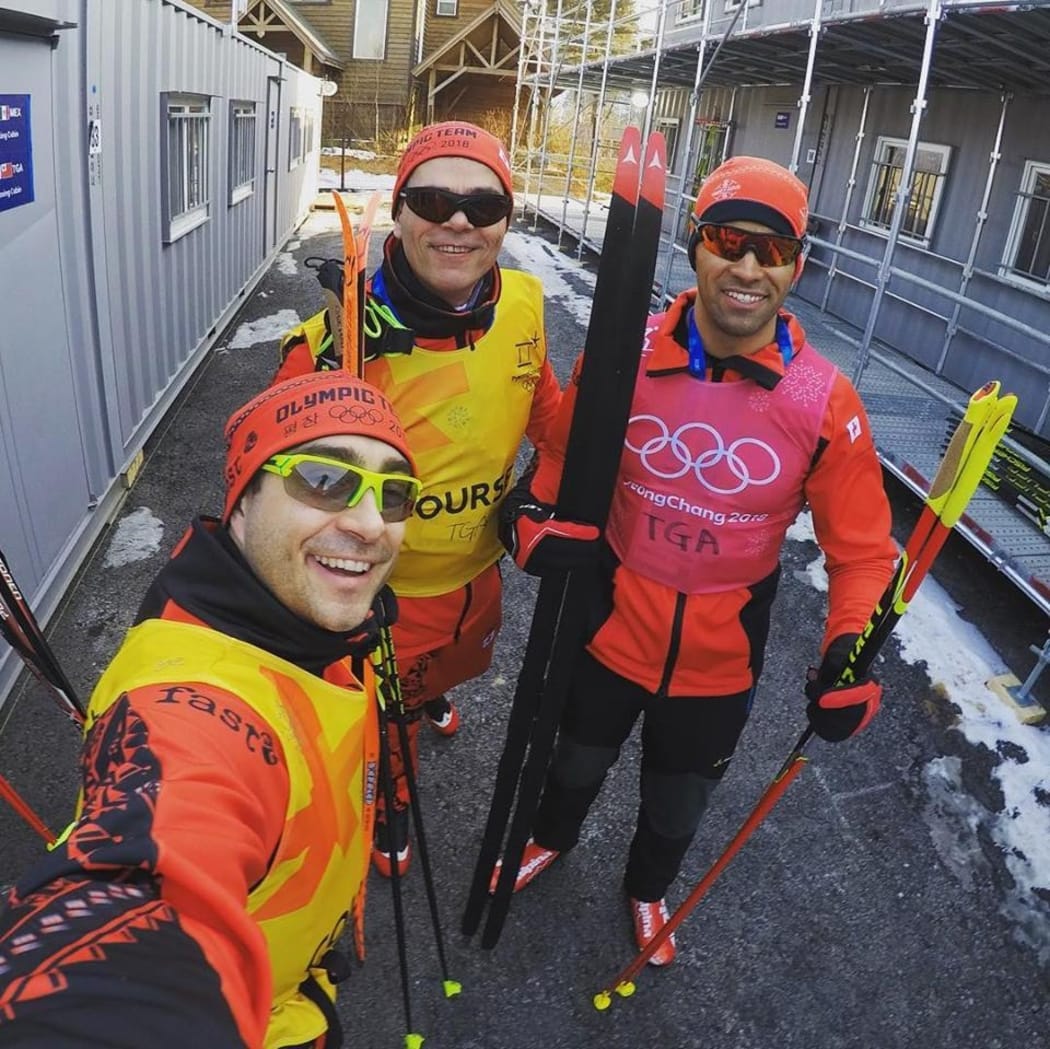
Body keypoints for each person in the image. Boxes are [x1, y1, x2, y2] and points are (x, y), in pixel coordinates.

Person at [495, 156, 899, 966]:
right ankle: (549, 838)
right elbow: (564, 457)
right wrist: (529, 515)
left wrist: (847, 653)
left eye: (772, 250)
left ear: (797, 265)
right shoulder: (625, 351)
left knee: (678, 801)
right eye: (727, 240)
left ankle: (646, 887)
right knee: (573, 759)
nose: (748, 267)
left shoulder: (824, 400)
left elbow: (863, 551)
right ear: (695, 247)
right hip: (608, 630)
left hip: (720, 661)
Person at [0, 372, 419, 1048]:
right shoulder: (192, 705)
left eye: (394, 493)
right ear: (244, 502)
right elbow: (159, 858)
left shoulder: (300, 616)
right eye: (322, 477)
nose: (372, 522)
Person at [274, 121, 562, 878]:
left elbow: (552, 424)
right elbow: (264, 494)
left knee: (453, 670)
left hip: (477, 576)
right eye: (433, 198)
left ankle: (428, 697)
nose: (459, 220)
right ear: (397, 210)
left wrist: (543, 495)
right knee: (385, 718)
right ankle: (392, 791)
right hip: (385, 601)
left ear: (508, 216)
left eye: (484, 203)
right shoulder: (334, 343)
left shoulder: (527, 305)